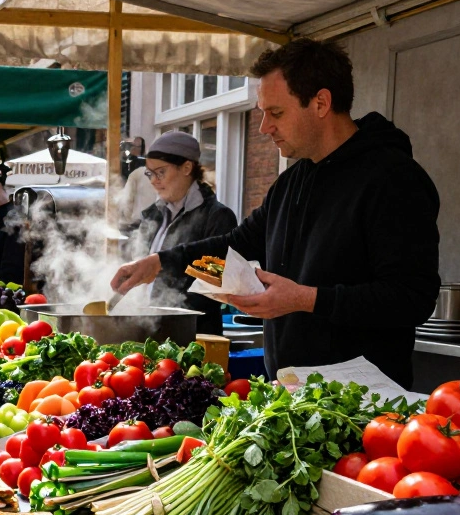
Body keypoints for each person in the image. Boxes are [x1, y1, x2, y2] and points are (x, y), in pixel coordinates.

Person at [111, 38, 439, 388]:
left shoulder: (393, 179)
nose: (266, 126)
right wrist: (158, 262)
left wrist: (304, 299)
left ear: (321, 103)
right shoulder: (291, 181)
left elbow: (411, 298)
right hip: (290, 393)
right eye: (263, 112)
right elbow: (236, 243)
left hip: (363, 405)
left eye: (276, 113)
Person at [130, 131, 238, 335]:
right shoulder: (153, 215)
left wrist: (160, 306)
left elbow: (214, 282)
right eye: (149, 173)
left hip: (194, 337)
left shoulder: (218, 217)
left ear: (187, 167)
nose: (153, 180)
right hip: (148, 331)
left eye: (160, 172)